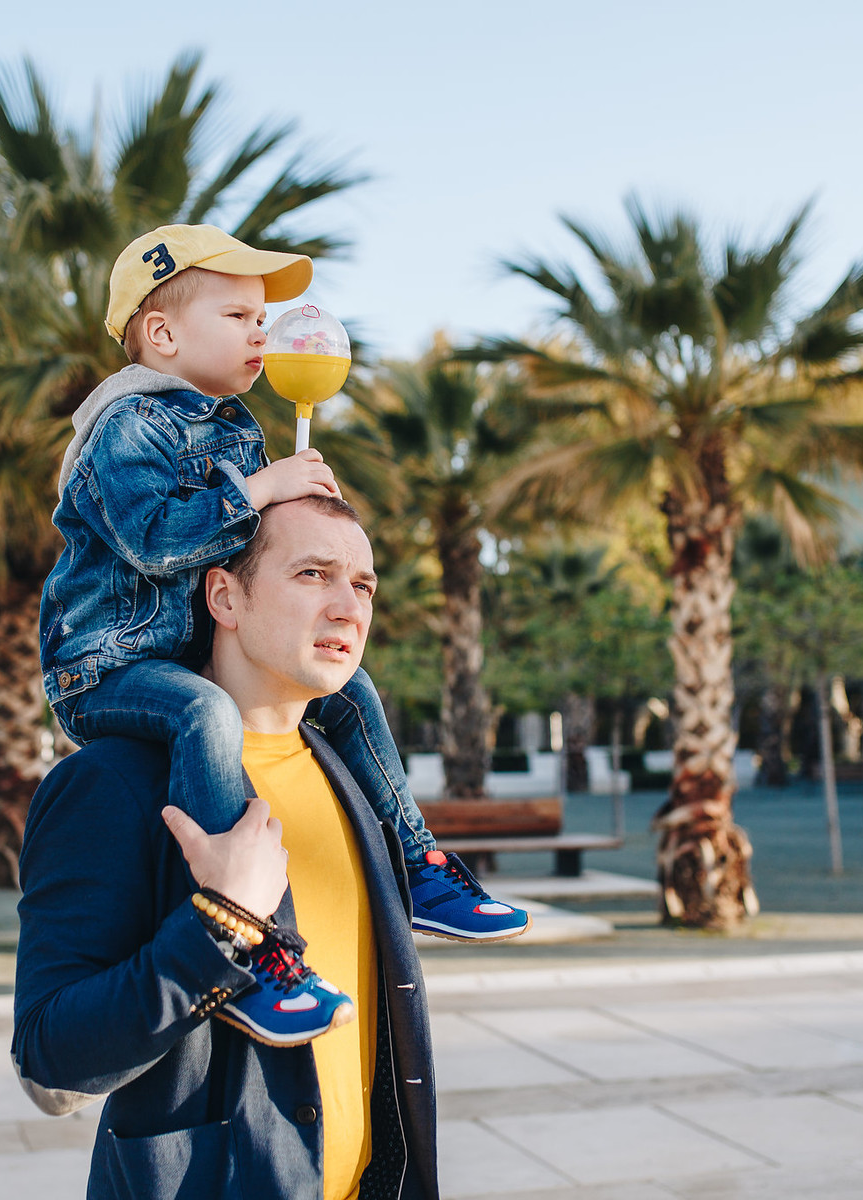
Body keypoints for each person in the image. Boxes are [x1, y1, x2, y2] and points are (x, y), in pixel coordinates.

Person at [39, 223, 528, 1046]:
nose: (261, 333)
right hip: (109, 664)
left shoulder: (233, 428)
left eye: (263, 318)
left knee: (356, 691)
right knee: (205, 715)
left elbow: (252, 548)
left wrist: (304, 532)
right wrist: (263, 489)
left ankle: (415, 862)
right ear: (161, 334)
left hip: (186, 657)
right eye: (238, 316)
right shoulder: (125, 428)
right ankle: (247, 936)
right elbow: (157, 542)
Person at [15, 496, 439, 1200]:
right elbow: (50, 1062)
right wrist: (223, 924)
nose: (349, 608)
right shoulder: (113, 784)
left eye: (363, 584)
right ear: (224, 595)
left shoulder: (355, 777)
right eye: (313, 574)